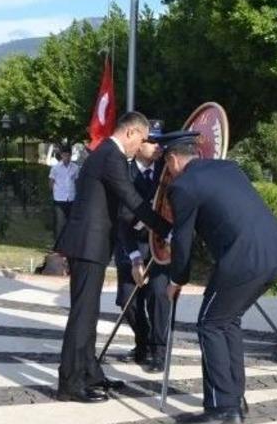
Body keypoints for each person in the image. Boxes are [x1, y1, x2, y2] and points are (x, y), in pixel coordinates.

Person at [155, 131, 277, 424]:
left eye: (167, 166)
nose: (168, 173)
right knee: (226, 322)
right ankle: (233, 400)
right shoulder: (227, 167)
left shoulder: (183, 186)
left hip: (243, 260)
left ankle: (223, 410)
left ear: (172, 159)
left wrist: (176, 280)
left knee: (210, 325)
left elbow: (182, 240)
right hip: (275, 253)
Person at [55, 112, 171, 404]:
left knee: (89, 314)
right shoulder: (112, 156)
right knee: (82, 315)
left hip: (92, 245)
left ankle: (90, 374)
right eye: (142, 139)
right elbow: (132, 199)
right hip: (87, 244)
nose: (141, 146)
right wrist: (166, 230)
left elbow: (123, 210)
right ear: (130, 132)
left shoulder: (107, 153)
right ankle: (70, 383)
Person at [115, 119, 169, 372]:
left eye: (160, 141)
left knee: (158, 295)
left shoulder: (167, 171)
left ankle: (158, 351)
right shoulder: (122, 173)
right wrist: (135, 258)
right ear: (138, 144)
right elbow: (120, 221)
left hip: (159, 245)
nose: (158, 146)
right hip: (131, 243)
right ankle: (142, 342)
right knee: (127, 300)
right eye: (152, 141)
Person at [48, 145, 79, 244]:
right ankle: (58, 244)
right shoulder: (56, 168)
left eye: (68, 155)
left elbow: (76, 181)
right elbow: (51, 181)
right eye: (64, 155)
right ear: (61, 155)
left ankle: (69, 243)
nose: (66, 157)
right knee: (60, 222)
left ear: (70, 155)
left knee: (71, 222)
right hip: (59, 198)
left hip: (71, 198)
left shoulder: (75, 168)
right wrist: (53, 192)